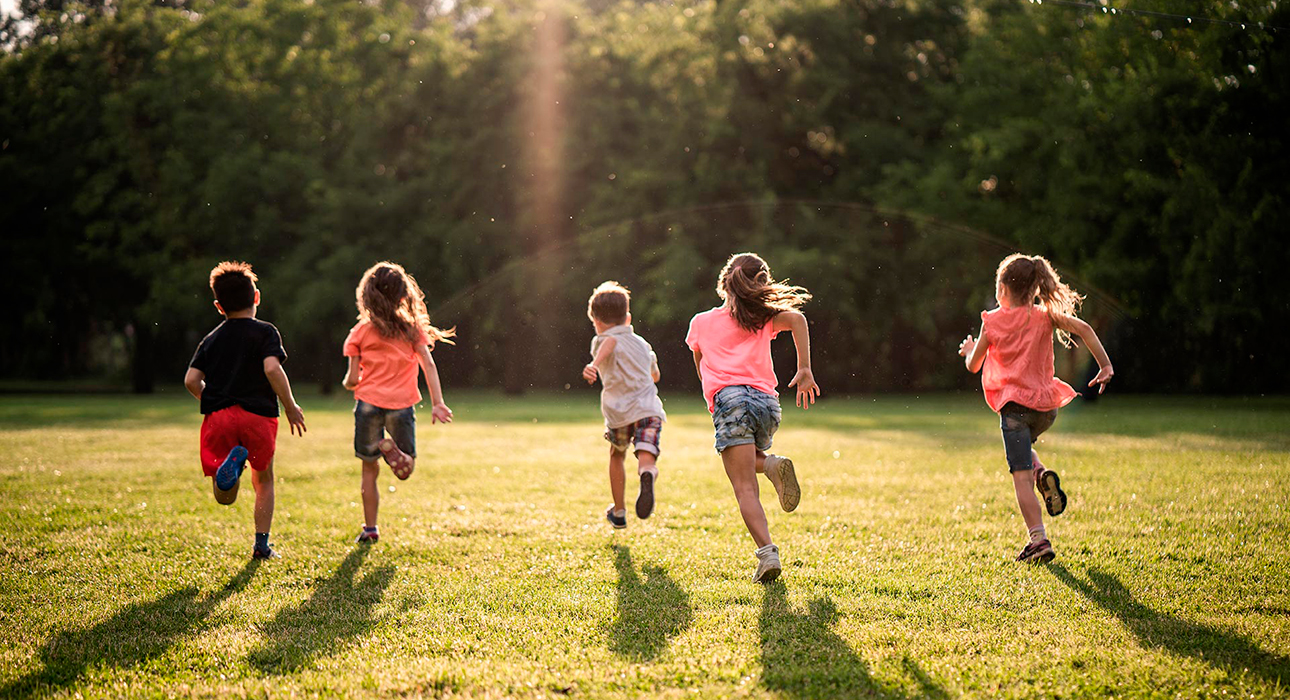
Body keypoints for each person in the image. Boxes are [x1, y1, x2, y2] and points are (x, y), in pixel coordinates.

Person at [958, 253, 1114, 564]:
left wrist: (968, 350)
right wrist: (1106, 365)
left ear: (1003, 290)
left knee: (1020, 477)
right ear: (1034, 290)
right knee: (1026, 453)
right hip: (1046, 408)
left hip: (1014, 411)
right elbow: (1084, 328)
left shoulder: (993, 321)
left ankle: (1038, 540)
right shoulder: (1045, 316)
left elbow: (974, 365)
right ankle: (1042, 473)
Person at [685, 253, 819, 582]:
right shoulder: (762, 317)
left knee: (744, 487)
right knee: (750, 462)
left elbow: (700, 366)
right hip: (767, 404)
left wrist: (714, 397)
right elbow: (798, 320)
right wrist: (804, 368)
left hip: (730, 400)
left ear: (724, 283)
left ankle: (767, 553)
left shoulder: (701, 322)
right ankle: (771, 465)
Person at [184, 261, 307, 560]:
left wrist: (210, 400)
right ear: (256, 297)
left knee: (224, 497)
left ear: (218, 306)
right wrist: (290, 406)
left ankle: (231, 469)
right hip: (259, 416)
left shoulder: (211, 340)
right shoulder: (266, 332)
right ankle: (261, 545)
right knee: (264, 480)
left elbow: (191, 379)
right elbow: (272, 368)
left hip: (220, 417)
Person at [342, 261, 454, 544]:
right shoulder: (411, 330)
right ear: (404, 296)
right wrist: (438, 403)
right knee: (408, 467)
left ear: (367, 295)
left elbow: (353, 378)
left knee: (369, 468)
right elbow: (427, 364)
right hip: (401, 404)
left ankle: (370, 528)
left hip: (367, 403)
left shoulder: (360, 333)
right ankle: (399, 454)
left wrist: (350, 383)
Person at [581, 281, 667, 529]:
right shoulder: (642, 344)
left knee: (617, 454)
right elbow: (655, 376)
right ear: (628, 318)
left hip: (619, 414)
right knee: (646, 452)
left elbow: (610, 342)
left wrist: (595, 365)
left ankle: (619, 511)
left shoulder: (601, 340)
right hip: (649, 409)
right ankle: (647, 473)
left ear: (595, 321)